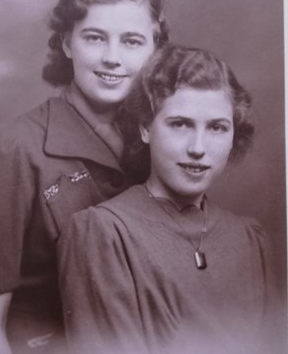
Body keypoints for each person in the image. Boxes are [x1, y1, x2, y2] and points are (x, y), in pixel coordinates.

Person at [0, 0, 169, 354]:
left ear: (154, 50)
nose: (112, 58)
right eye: (94, 38)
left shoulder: (156, 142)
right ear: (66, 42)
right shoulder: (10, 149)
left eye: (131, 41)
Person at [57, 44, 277, 354]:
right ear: (146, 127)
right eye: (180, 124)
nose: (198, 147)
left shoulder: (250, 240)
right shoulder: (104, 233)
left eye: (216, 127)